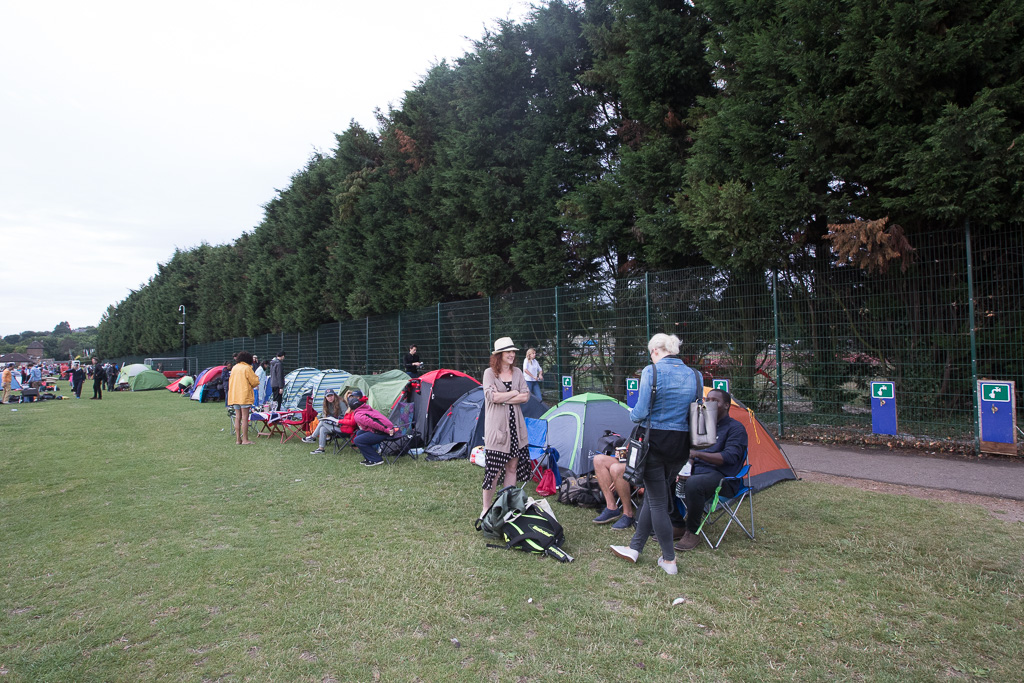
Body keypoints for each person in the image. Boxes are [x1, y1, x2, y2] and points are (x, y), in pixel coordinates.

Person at [610, 333, 699, 575]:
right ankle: (635, 547)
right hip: (681, 445)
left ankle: (669, 560)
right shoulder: (695, 375)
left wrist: (632, 414)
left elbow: (640, 412)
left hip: (654, 442)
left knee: (658, 501)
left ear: (655, 351)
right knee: (653, 494)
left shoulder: (652, 371)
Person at [674, 388, 748, 551]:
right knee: (665, 476)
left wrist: (697, 454)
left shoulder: (736, 428)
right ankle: (677, 524)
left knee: (694, 483)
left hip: (724, 477)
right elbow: (692, 454)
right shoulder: (703, 425)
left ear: (727, 405)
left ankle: (692, 532)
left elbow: (729, 457)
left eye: (715, 401)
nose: (709, 403)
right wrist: (687, 467)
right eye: (707, 400)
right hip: (698, 471)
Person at [480, 336, 531, 518]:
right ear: (499, 355)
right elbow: (491, 397)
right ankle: (486, 509)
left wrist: (504, 397)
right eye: (508, 352)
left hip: (516, 427)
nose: (511, 355)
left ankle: (506, 506)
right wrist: (514, 393)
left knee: (512, 467)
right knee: (494, 470)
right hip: (497, 430)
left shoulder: (517, 372)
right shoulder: (489, 374)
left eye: (513, 352)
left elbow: (525, 396)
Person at [592, 444, 637, 529]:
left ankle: (628, 514)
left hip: (643, 465)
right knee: (598, 459)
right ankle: (611, 507)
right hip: (630, 462)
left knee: (616, 469)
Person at [349, 393, 399, 466]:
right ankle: (369, 458)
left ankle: (376, 460)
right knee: (359, 433)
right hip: (385, 429)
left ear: (351, 409)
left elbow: (374, 423)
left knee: (358, 440)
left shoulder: (358, 415)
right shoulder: (366, 408)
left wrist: (387, 430)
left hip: (386, 431)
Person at [227, 351, 260, 445]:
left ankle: (238, 440)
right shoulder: (247, 368)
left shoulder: (234, 368)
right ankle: (245, 440)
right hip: (244, 395)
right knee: (245, 418)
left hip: (234, 396)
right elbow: (254, 382)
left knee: (238, 417)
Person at [304, 389, 344, 454]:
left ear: (334, 395)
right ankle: (321, 448)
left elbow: (346, 415)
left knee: (322, 422)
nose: (330, 398)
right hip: (334, 425)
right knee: (322, 428)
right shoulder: (326, 404)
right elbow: (324, 415)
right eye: (328, 396)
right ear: (326, 397)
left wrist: (336, 419)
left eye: (331, 395)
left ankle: (313, 437)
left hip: (342, 427)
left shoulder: (341, 403)